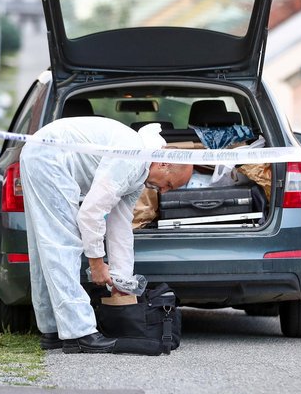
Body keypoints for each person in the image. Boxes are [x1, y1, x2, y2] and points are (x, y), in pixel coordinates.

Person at [20, 117, 193, 354]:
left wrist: (121, 281)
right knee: (63, 244)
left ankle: (52, 330)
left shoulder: (139, 174)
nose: (163, 191)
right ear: (163, 164)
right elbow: (90, 214)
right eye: (170, 185)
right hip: (49, 156)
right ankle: (79, 334)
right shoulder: (133, 158)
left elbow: (120, 227)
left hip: (41, 154)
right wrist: (97, 262)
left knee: (48, 248)